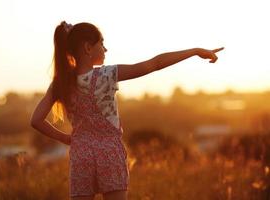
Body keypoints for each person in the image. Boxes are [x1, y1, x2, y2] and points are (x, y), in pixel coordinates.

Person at [30, 21, 224, 200]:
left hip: (81, 156)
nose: (106, 48)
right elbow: (154, 64)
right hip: (110, 154)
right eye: (102, 43)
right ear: (88, 48)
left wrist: (66, 138)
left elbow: (36, 120)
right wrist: (195, 51)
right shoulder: (107, 75)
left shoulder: (61, 83)